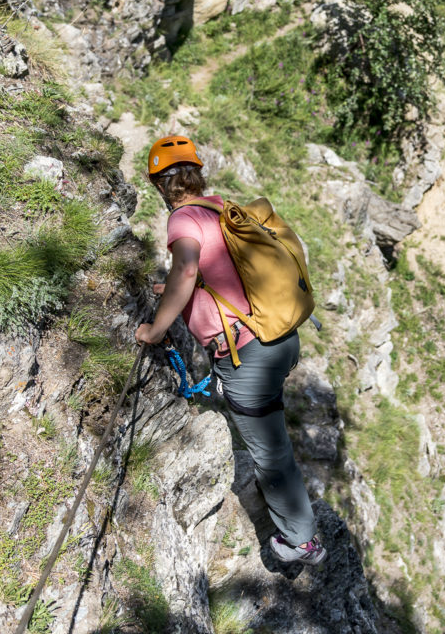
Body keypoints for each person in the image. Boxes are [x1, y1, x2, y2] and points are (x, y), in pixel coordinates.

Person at [134, 135, 326, 566]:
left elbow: (187, 267)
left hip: (248, 352)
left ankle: (302, 540)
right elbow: (215, 274)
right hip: (280, 337)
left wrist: (154, 328)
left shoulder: (184, 219)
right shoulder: (221, 207)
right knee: (270, 432)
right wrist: (178, 292)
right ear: (197, 174)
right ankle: (292, 512)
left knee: (269, 450)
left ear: (159, 183)